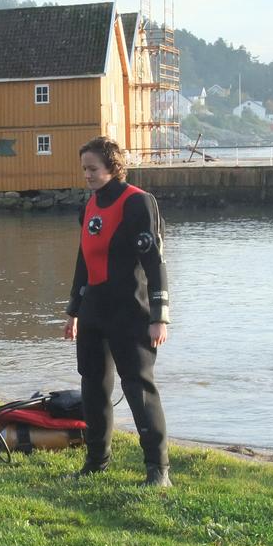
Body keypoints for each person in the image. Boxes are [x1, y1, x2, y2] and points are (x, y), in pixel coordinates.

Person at [63, 136, 172, 487]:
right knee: (93, 388)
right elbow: (83, 262)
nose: (87, 175)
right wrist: (73, 311)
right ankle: (96, 461)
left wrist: (159, 316)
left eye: (93, 169)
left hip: (131, 312)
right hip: (94, 312)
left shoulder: (139, 203)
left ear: (113, 167)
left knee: (139, 388)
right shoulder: (89, 206)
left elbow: (154, 263)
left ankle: (158, 470)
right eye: (84, 169)